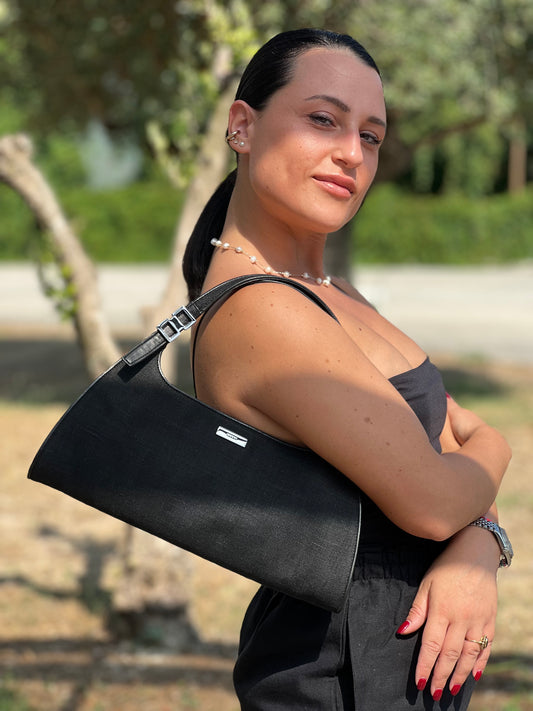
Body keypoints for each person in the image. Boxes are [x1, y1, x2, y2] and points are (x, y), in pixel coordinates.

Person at [182, 28, 512, 710]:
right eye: (322, 120)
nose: (351, 154)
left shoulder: (330, 291)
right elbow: (434, 498)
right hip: (341, 670)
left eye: (370, 135)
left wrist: (478, 543)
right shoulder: (261, 310)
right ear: (242, 126)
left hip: (400, 658)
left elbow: (446, 472)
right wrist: (495, 448)